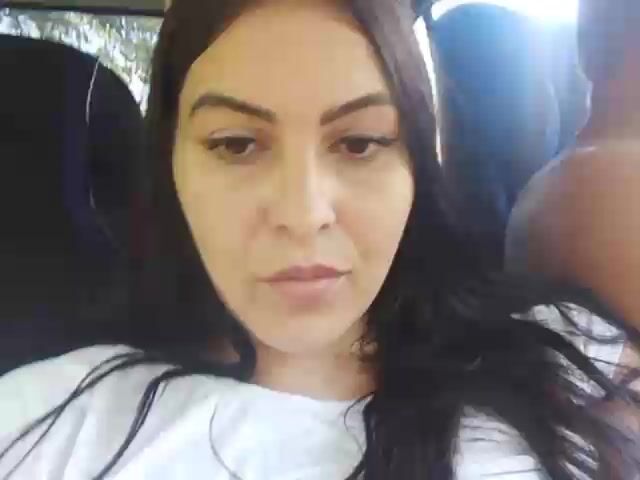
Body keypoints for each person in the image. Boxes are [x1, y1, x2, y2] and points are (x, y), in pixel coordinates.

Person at [1, 0, 638, 478]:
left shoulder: (563, 358)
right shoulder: (47, 422)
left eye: (359, 143)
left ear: (417, 165)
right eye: (236, 144)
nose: (303, 215)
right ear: (170, 165)